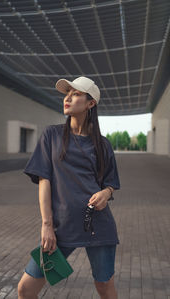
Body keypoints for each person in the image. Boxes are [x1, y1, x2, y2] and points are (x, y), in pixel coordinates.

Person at [18, 76, 120, 299]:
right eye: (67, 94)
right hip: (59, 230)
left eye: (75, 94)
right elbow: (44, 179)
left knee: (104, 287)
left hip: (98, 227)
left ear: (90, 103)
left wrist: (106, 192)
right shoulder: (51, 135)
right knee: (26, 289)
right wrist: (47, 225)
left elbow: (110, 181)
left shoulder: (103, 144)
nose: (68, 98)